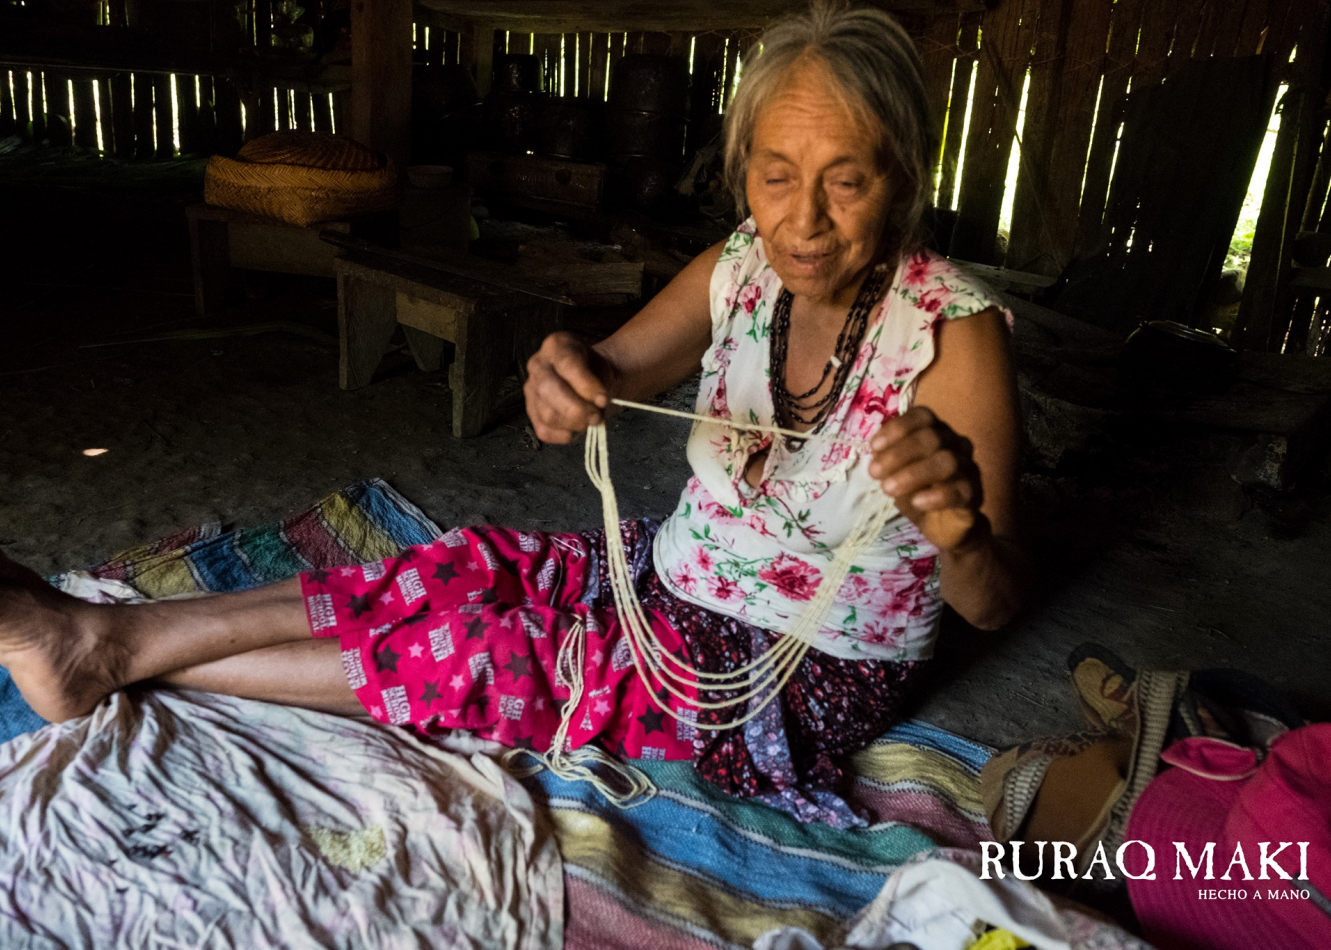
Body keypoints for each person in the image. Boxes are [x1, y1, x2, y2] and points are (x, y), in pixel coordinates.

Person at [0, 4, 1025, 819]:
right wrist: (561, 375)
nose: (803, 219)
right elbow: (606, 367)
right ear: (741, 169)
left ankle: (111, 654)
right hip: (664, 581)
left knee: (504, 654)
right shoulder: (741, 268)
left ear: (900, 178)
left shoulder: (950, 334)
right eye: (774, 175)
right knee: (469, 564)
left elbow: (990, 601)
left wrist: (955, 529)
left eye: (846, 181)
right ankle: (111, 634)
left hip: (790, 677)